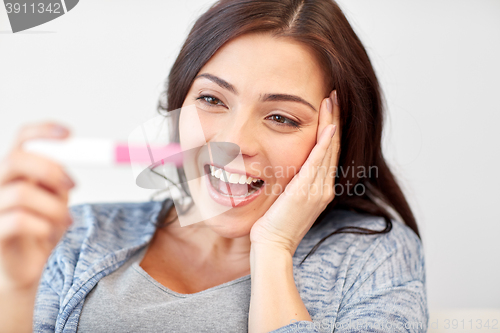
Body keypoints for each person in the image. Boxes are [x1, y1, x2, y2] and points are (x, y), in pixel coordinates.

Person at [0, 0, 428, 332]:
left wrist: (274, 249)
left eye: (282, 118)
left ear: (336, 138)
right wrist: (15, 289)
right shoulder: (77, 235)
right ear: (178, 104)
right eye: (211, 99)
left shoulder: (373, 258)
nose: (232, 143)